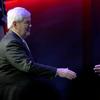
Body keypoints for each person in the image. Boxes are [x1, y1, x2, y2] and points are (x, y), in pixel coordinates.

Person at [0, 7, 77, 100]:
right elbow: (28, 66)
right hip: (13, 94)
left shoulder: (16, 40)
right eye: (27, 22)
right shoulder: (11, 42)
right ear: (15, 24)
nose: (30, 25)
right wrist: (58, 72)